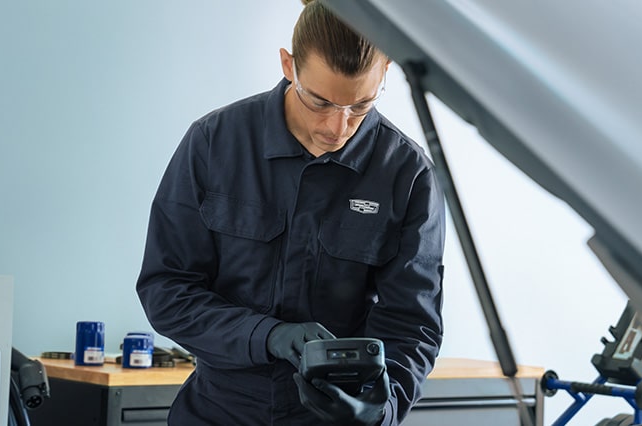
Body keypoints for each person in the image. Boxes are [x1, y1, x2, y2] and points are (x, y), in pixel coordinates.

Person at [136, 1, 445, 424]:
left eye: (360, 106)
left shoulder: (407, 174)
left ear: (386, 71)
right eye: (320, 102)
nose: (337, 128)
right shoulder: (214, 143)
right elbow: (167, 289)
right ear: (289, 66)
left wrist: (380, 410)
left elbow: (411, 324)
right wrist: (267, 336)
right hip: (218, 411)